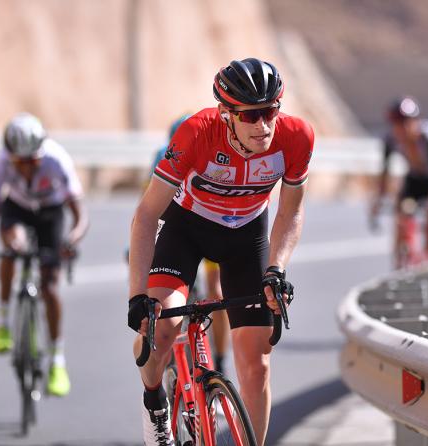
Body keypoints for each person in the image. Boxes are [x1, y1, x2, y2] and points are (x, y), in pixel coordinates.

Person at [127, 57, 314, 445]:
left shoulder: (297, 137)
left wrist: (277, 269)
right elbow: (146, 215)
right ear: (226, 114)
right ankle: (155, 403)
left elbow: (291, 211)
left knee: (257, 366)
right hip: (187, 230)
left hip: (247, 237)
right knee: (161, 332)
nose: (263, 125)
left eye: (270, 111)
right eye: (250, 115)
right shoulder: (196, 133)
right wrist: (137, 297)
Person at [0, 112, 89, 397]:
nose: (26, 168)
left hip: (51, 212)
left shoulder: (57, 160)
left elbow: (80, 215)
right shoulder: (0, 164)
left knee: (50, 287)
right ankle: (3, 322)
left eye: (32, 161)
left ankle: (57, 360)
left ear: (41, 153)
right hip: (17, 208)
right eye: (19, 162)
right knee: (13, 247)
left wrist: (71, 240)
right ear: (10, 157)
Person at [149, 114, 231, 375]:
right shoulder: (163, 156)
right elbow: (149, 206)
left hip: (209, 225)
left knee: (217, 293)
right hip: (174, 228)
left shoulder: (212, 156)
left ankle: (220, 360)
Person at [370, 96, 428, 268]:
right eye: (397, 124)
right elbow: (385, 174)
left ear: (416, 121)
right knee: (400, 215)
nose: (402, 129)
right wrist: (378, 200)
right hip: (414, 179)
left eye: (406, 123)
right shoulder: (390, 140)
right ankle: (399, 263)